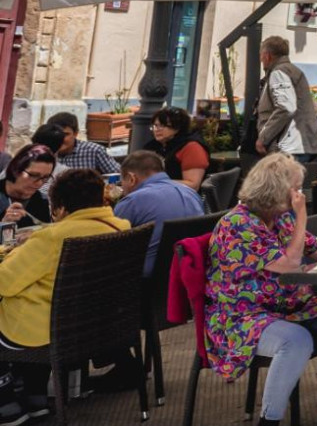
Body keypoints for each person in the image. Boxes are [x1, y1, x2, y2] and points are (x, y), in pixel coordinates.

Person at [207, 154, 317, 426]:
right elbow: (290, 264)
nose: (300, 194)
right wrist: (302, 214)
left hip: (293, 306)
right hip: (244, 316)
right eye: (296, 188)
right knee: (297, 341)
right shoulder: (238, 225)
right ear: (276, 189)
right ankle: (270, 420)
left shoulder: (281, 217)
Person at [0, 170, 130, 421]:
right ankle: (35, 397)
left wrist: (17, 252)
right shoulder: (119, 226)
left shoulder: (52, 238)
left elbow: (5, 283)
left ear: (59, 208)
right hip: (91, 326)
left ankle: (7, 406)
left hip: (42, 330)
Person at [114, 149, 207, 277]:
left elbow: (113, 246)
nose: (122, 188)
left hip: (148, 279)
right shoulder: (191, 194)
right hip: (193, 272)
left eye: (121, 182)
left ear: (131, 178)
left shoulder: (132, 201)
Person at [255, 36, 317, 161]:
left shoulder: (279, 72)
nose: (260, 59)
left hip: (289, 146)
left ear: (267, 55)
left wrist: (263, 138)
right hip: (300, 144)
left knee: (283, 180)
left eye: (261, 55)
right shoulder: (293, 71)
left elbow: (286, 107)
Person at [40, 112, 119, 182]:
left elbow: (118, 175)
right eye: (56, 134)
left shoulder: (94, 151)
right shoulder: (43, 153)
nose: (60, 138)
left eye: (65, 134)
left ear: (75, 134)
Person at [146, 106, 211, 189]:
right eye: (155, 126)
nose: (157, 130)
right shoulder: (154, 145)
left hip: (182, 197)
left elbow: (193, 185)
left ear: (177, 127)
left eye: (162, 126)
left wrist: (156, 183)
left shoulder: (192, 147)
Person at [0, 147, 55, 229]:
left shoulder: (41, 201)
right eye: (34, 175)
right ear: (16, 169)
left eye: (45, 177)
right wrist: (3, 225)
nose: (39, 183)